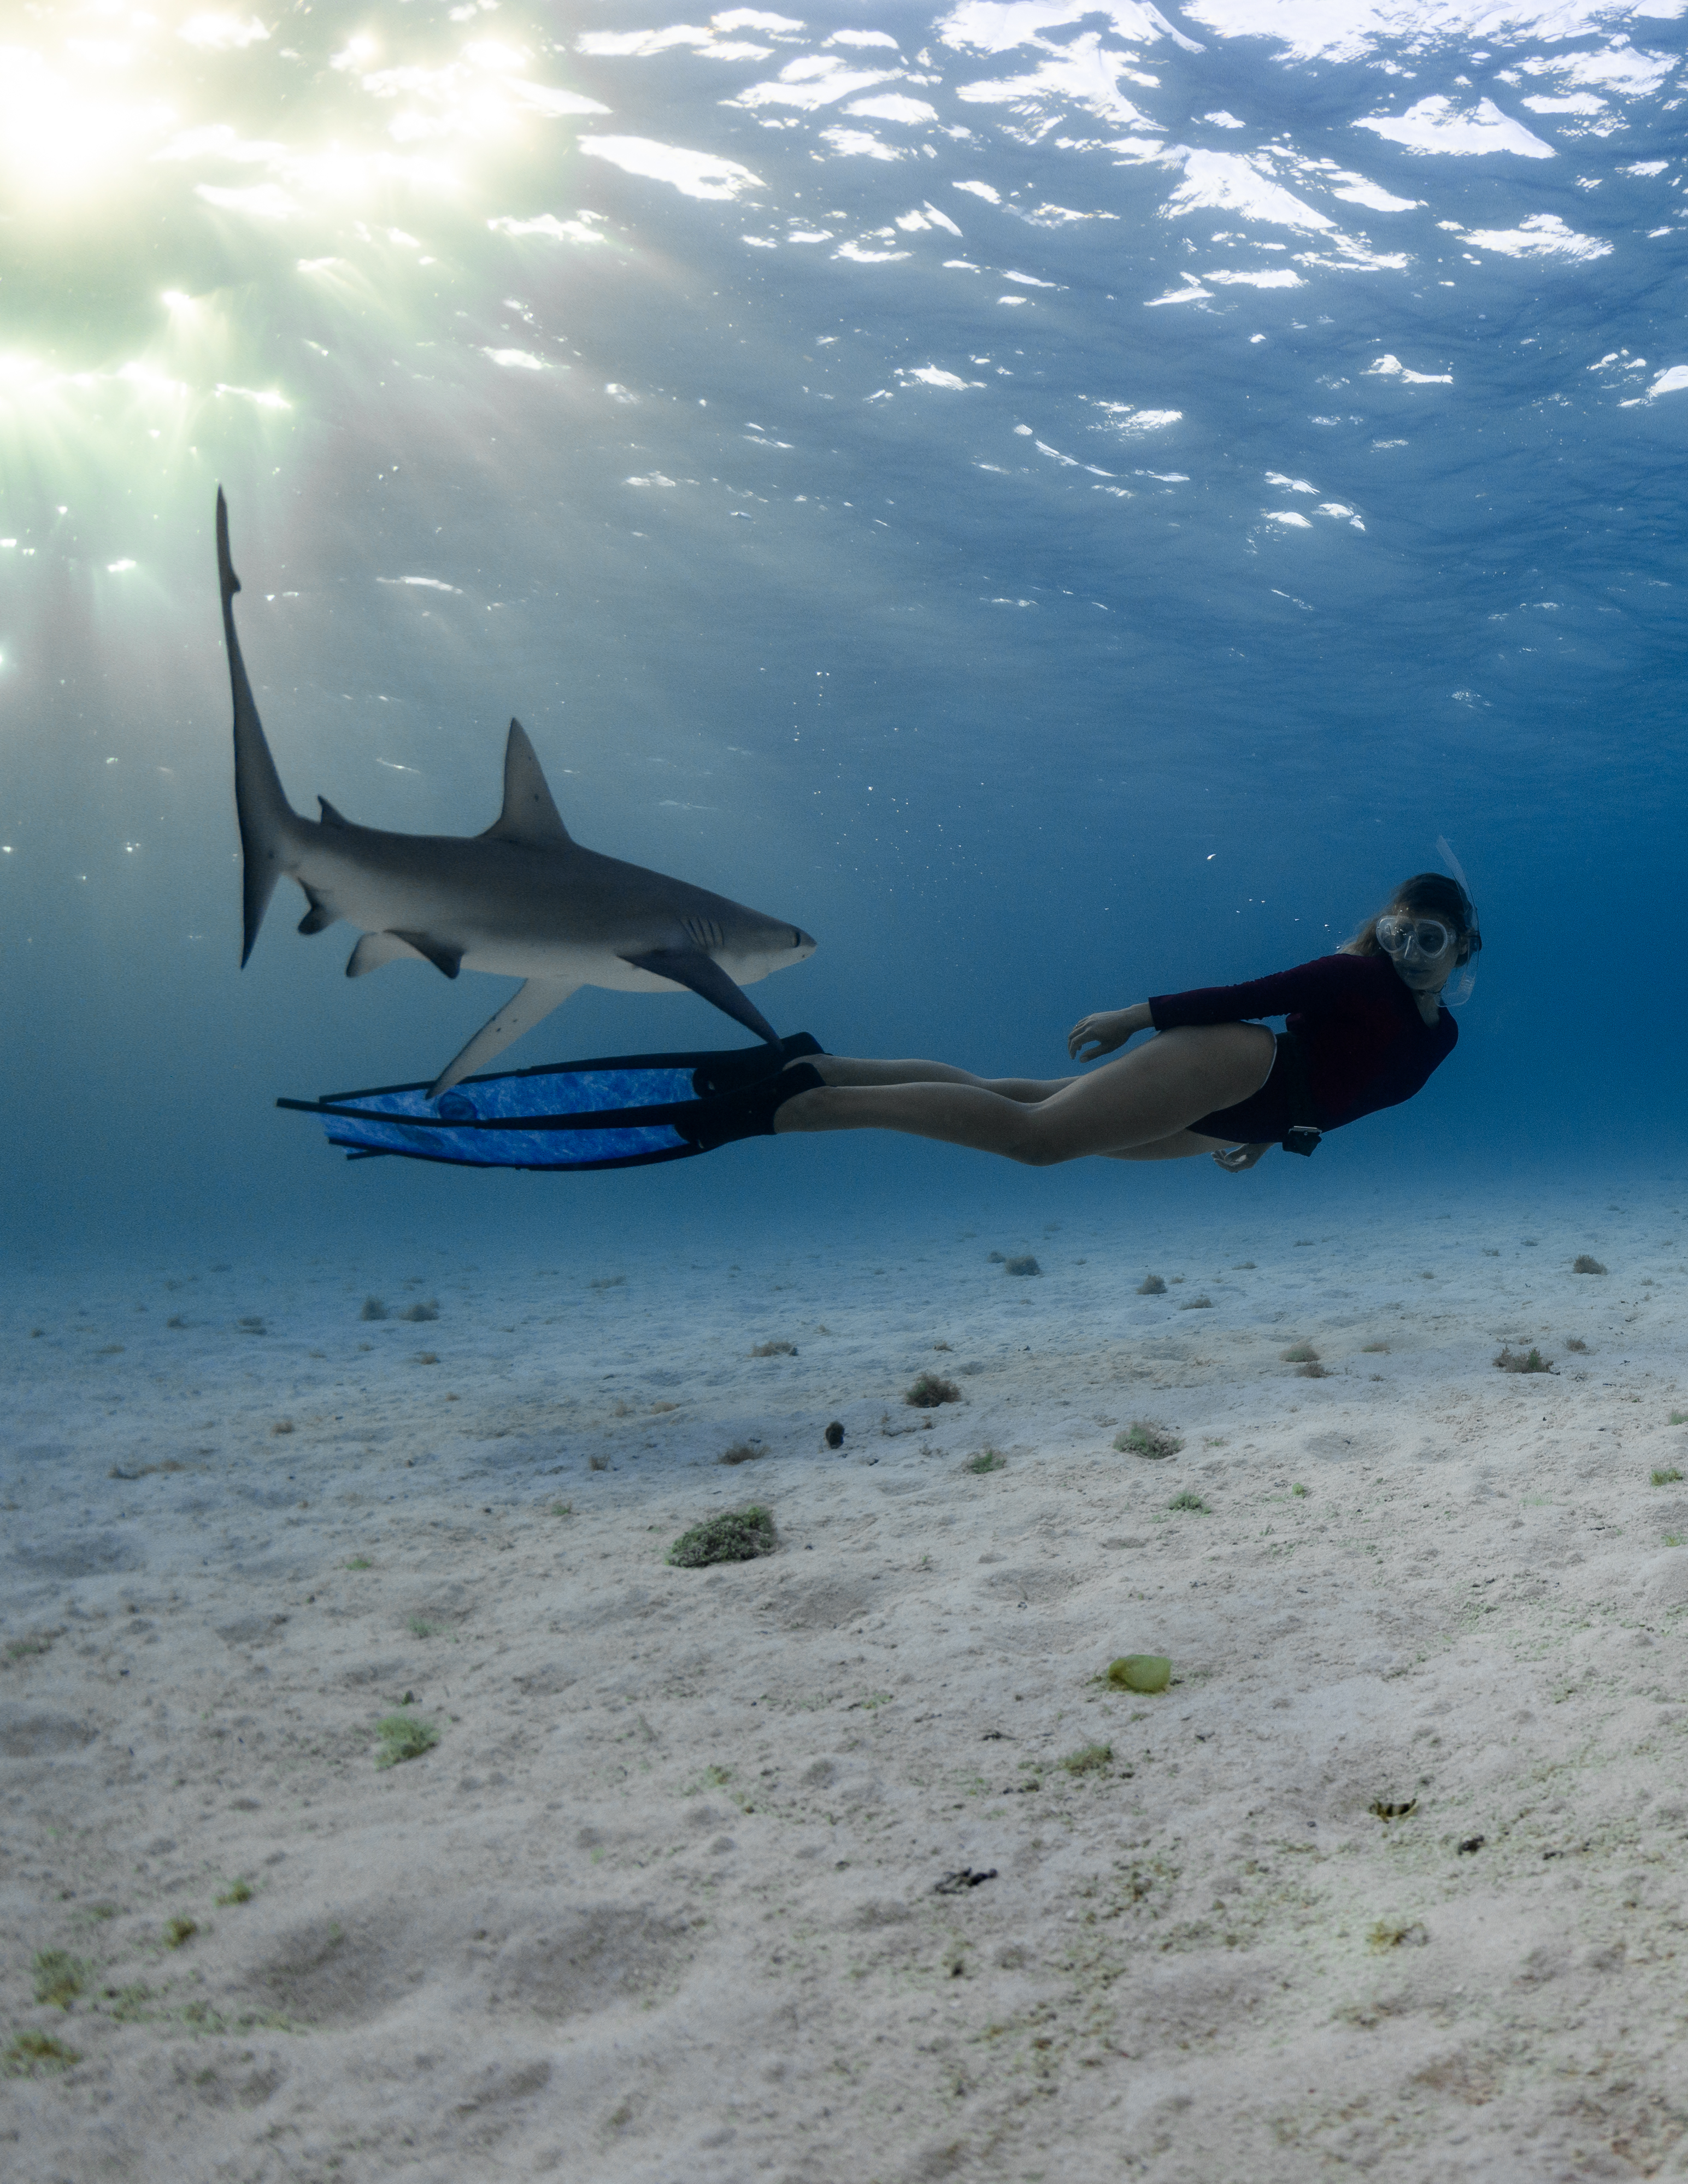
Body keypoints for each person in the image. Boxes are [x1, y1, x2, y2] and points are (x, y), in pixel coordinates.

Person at [689, 872, 1479, 1169]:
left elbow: (1346, 1078)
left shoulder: (1438, 1034)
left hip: (1255, 1111)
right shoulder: (1354, 975)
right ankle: (806, 1106)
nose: (1407, 951)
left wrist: (1266, 1138)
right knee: (1037, 1140)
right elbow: (1248, 995)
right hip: (1233, 1067)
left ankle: (825, 1069)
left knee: (1028, 1098)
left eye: (1428, 940)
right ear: (1380, 930)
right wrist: (1133, 1016)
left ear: (1462, 947)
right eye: (1396, 932)